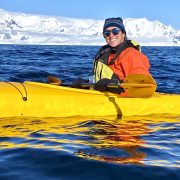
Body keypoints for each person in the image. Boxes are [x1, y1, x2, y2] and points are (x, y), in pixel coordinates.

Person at [93, 17, 152, 93]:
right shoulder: (103, 54)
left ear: (123, 34)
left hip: (123, 100)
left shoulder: (132, 55)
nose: (111, 35)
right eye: (107, 33)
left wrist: (116, 86)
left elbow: (143, 86)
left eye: (115, 31)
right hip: (102, 98)